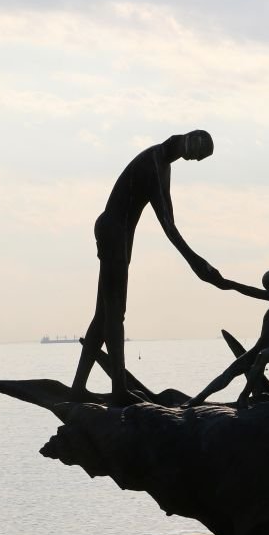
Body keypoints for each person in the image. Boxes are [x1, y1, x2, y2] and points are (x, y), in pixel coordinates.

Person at [70, 130, 223, 405]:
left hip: (119, 234)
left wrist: (196, 261)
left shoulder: (162, 164)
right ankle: (119, 390)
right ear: (192, 140)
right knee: (115, 314)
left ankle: (78, 388)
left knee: (104, 314)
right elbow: (167, 225)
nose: (194, 160)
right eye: (197, 155)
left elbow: (169, 220)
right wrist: (195, 261)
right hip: (114, 232)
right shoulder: (154, 164)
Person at [185, 269, 269, 408]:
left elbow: (257, 294)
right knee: (232, 370)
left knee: (262, 357)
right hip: (261, 346)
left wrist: (230, 284)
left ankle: (244, 396)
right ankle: (199, 398)